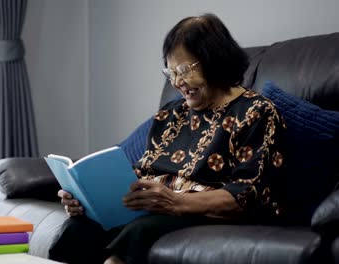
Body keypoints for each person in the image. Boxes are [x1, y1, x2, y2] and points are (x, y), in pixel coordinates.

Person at [49, 13, 287, 264]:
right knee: (78, 230)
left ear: (214, 61)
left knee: (138, 233)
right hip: (155, 209)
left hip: (201, 212)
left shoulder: (257, 112)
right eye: (171, 72)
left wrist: (175, 201)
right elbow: (143, 173)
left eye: (184, 70)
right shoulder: (171, 114)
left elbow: (250, 193)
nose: (177, 82)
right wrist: (87, 200)